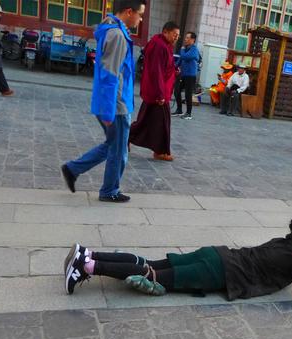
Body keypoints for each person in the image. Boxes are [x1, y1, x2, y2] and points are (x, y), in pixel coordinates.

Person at [63, 217, 292, 302]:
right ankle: (88, 267)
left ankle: (88, 253)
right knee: (153, 276)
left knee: (152, 264)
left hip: (215, 253)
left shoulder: (284, 241)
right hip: (219, 273)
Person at [60, 0, 145, 203]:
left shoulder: (112, 29)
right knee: (118, 150)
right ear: (128, 11)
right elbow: (110, 75)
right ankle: (109, 191)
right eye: (139, 14)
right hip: (116, 105)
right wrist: (109, 111)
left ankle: (73, 169)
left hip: (111, 102)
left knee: (112, 145)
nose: (140, 19)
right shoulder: (117, 35)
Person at [129, 21, 179, 161]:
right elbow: (156, 71)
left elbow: (165, 66)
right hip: (157, 91)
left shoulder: (164, 45)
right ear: (165, 32)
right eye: (174, 35)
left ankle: (124, 137)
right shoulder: (159, 45)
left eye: (177, 36)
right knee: (162, 122)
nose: (176, 38)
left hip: (159, 90)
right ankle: (160, 151)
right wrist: (160, 93)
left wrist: (174, 70)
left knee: (146, 121)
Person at [173, 31, 200, 120]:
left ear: (193, 40)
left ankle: (188, 113)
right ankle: (179, 109)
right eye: (186, 37)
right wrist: (173, 67)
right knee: (177, 91)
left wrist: (182, 50)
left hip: (190, 75)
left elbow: (185, 57)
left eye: (188, 38)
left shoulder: (194, 49)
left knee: (188, 94)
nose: (186, 39)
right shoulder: (185, 49)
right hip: (183, 74)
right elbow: (180, 59)